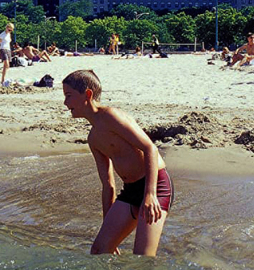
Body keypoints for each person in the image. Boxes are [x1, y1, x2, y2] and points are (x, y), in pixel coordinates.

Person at [62, 70, 172, 257]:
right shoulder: (93, 139)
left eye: (69, 96)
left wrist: (150, 194)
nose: (65, 103)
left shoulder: (111, 116)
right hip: (130, 191)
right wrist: (110, 229)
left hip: (156, 186)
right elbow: (108, 186)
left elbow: (150, 149)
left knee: (143, 258)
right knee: (100, 250)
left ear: (87, 95)